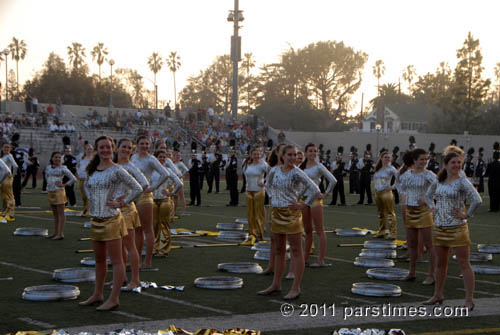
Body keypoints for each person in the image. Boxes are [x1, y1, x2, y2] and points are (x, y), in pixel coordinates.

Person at [80, 136, 142, 311]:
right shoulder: (92, 169)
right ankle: (97, 294)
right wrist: (92, 202)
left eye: (108, 147)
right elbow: (86, 186)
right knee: (99, 260)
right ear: (97, 150)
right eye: (102, 147)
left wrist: (122, 202)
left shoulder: (117, 170)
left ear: (113, 149)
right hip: (96, 219)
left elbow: (137, 187)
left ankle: (114, 298)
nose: (105, 150)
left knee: (116, 261)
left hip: (112, 220)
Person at [258, 145, 320, 300]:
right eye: (290, 155)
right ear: (282, 155)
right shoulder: (274, 170)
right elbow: (267, 185)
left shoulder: (298, 172)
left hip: (291, 215)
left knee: (296, 251)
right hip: (276, 213)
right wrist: (273, 197)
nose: (293, 158)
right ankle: (276, 284)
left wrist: (302, 204)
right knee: (278, 250)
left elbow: (315, 190)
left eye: (295, 155)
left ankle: (296, 287)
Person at [423, 148, 482, 310]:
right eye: (453, 162)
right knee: (440, 264)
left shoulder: (462, 181)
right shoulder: (439, 180)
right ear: (446, 165)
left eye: (458, 162)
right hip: (440, 227)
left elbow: (477, 200)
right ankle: (438, 295)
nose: (457, 165)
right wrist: (432, 208)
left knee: (464, 263)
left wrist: (466, 215)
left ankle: (469, 300)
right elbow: (428, 196)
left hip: (457, 228)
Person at [114, 138, 149, 291]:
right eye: (124, 147)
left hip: (127, 210)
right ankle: (121, 278)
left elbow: (144, 184)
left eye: (129, 148)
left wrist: (128, 199)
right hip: (113, 210)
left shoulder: (131, 166)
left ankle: (135, 280)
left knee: (130, 246)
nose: (126, 150)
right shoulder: (113, 165)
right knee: (117, 246)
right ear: (117, 148)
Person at [131, 135, 170, 271]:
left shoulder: (151, 159)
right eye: (142, 143)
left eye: (147, 144)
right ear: (137, 144)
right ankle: (136, 260)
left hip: (144, 197)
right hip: (132, 196)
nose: (144, 146)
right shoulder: (133, 157)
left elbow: (165, 174)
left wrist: (153, 187)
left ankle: (147, 261)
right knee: (137, 230)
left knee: (147, 229)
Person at [399, 148, 437, 285]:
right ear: (414, 160)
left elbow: (439, 188)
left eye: (426, 159)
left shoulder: (429, 175)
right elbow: (401, 187)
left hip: (424, 212)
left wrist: (427, 199)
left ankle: (432, 275)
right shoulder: (407, 175)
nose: (424, 162)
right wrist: (403, 196)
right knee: (412, 244)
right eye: (422, 159)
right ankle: (412, 272)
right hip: (410, 211)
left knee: (430, 245)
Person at [300, 143, 336, 267]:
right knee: (307, 230)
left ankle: (321, 260)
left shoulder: (319, 167)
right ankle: (305, 258)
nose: (313, 153)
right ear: (305, 153)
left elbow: (333, 180)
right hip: (303, 200)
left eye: (315, 151)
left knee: (320, 230)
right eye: (310, 151)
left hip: (315, 200)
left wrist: (325, 194)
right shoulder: (300, 166)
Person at [152, 150, 182, 256]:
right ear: (155, 158)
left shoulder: (168, 170)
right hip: (153, 201)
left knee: (164, 225)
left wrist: (171, 193)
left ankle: (164, 249)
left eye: (164, 157)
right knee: (154, 225)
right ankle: (155, 248)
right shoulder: (151, 170)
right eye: (160, 157)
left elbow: (179, 183)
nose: (162, 159)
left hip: (164, 201)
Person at [45, 152, 76, 240]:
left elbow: (73, 178)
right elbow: (46, 176)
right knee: (55, 214)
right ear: (52, 158)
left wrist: (64, 185)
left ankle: (60, 233)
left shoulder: (63, 168)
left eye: (59, 157)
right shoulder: (48, 167)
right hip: (50, 191)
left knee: (61, 213)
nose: (58, 159)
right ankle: (55, 233)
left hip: (59, 192)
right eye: (56, 157)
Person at [243, 147, 270, 243]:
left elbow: (271, 174)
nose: (256, 156)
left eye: (258, 154)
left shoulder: (263, 164)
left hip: (259, 190)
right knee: (250, 213)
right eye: (254, 154)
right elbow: (245, 175)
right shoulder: (247, 164)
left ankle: (259, 234)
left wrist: (265, 183)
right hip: (249, 190)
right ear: (251, 155)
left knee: (259, 214)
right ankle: (252, 233)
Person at [373, 150, 399, 240]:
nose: (387, 159)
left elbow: (399, 177)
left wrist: (393, 187)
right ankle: (382, 231)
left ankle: (393, 233)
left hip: (386, 193)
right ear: (381, 158)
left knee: (390, 213)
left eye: (389, 157)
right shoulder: (378, 168)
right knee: (381, 213)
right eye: (385, 157)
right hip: (377, 193)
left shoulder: (391, 168)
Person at [1, 143, 18, 221]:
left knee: (9, 196)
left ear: (10, 149)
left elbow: (15, 166)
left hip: (7, 177)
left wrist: (13, 175)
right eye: (5, 147)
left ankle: (11, 213)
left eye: (8, 147)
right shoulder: (2, 156)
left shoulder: (9, 156)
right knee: (4, 196)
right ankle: (4, 211)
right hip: (2, 178)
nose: (6, 149)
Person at [76, 143, 94, 217]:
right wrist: (78, 172)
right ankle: (86, 209)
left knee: (88, 196)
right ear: (85, 150)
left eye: (91, 149)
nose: (89, 150)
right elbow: (78, 166)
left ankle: (87, 211)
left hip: (89, 180)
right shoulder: (82, 159)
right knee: (84, 197)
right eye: (88, 149)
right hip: (81, 179)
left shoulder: (93, 160)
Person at [485, 143, 500, 212]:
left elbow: (486, 174)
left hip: (491, 182)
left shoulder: (490, 164)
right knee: (498, 195)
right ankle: (497, 208)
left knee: (492, 195)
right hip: (498, 181)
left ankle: (492, 208)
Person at [173, 150, 188, 215]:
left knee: (182, 196)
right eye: (177, 155)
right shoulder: (173, 163)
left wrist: (181, 176)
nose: (178, 157)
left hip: (179, 180)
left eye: (179, 155)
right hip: (174, 181)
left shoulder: (181, 163)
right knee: (175, 197)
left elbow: (186, 170)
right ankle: (174, 211)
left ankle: (183, 212)